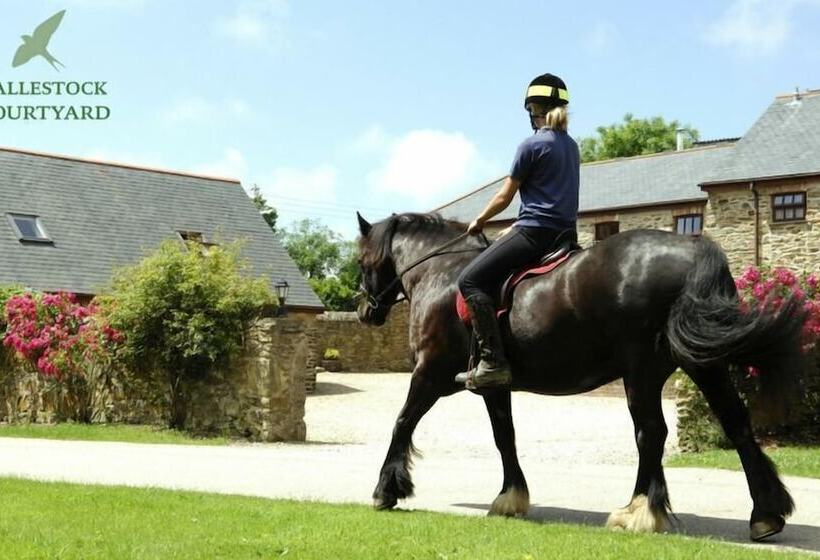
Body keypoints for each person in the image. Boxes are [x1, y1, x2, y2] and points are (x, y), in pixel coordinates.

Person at [454, 73, 580, 390]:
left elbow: (504, 196)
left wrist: (479, 220)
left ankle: (492, 362)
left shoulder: (532, 144)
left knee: (469, 280)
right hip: (564, 235)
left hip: (535, 234)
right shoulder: (572, 147)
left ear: (533, 110)